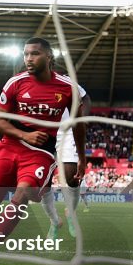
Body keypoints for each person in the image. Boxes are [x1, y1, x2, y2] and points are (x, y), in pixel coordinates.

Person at [0, 37, 86, 265]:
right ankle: (28, 212)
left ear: (49, 56)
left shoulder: (67, 87)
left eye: (34, 54)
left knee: (22, 195)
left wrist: (82, 158)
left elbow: (79, 124)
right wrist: (24, 135)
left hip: (40, 152)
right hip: (9, 145)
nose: (28, 59)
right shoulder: (15, 83)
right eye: (26, 54)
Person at [40, 91, 92, 239]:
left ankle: (70, 211)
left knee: (72, 176)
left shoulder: (67, 81)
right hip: (42, 130)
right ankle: (55, 221)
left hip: (67, 130)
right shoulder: (25, 81)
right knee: (41, 183)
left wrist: (83, 119)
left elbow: (85, 97)